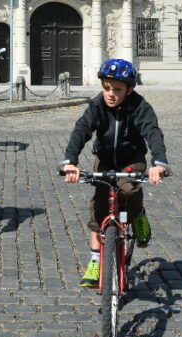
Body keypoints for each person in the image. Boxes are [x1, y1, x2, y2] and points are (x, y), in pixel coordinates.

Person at [59, 58, 169, 288]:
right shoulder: (97, 105)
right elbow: (81, 130)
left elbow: (152, 132)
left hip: (131, 159)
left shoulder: (140, 106)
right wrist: (70, 162)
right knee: (98, 212)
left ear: (130, 89)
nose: (110, 94)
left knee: (129, 189)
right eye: (106, 87)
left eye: (117, 89)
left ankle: (137, 214)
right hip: (106, 160)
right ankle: (95, 262)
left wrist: (159, 163)